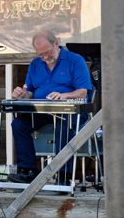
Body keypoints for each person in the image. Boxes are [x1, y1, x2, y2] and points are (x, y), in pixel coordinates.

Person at [7, 30, 92, 185]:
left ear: (56, 44)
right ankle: (28, 171)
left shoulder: (75, 60)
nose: (45, 58)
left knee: (63, 125)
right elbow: (29, 94)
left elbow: (83, 92)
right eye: (41, 55)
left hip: (70, 111)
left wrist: (64, 95)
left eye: (48, 52)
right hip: (43, 111)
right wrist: (21, 95)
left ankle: (62, 174)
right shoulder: (35, 64)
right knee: (19, 124)